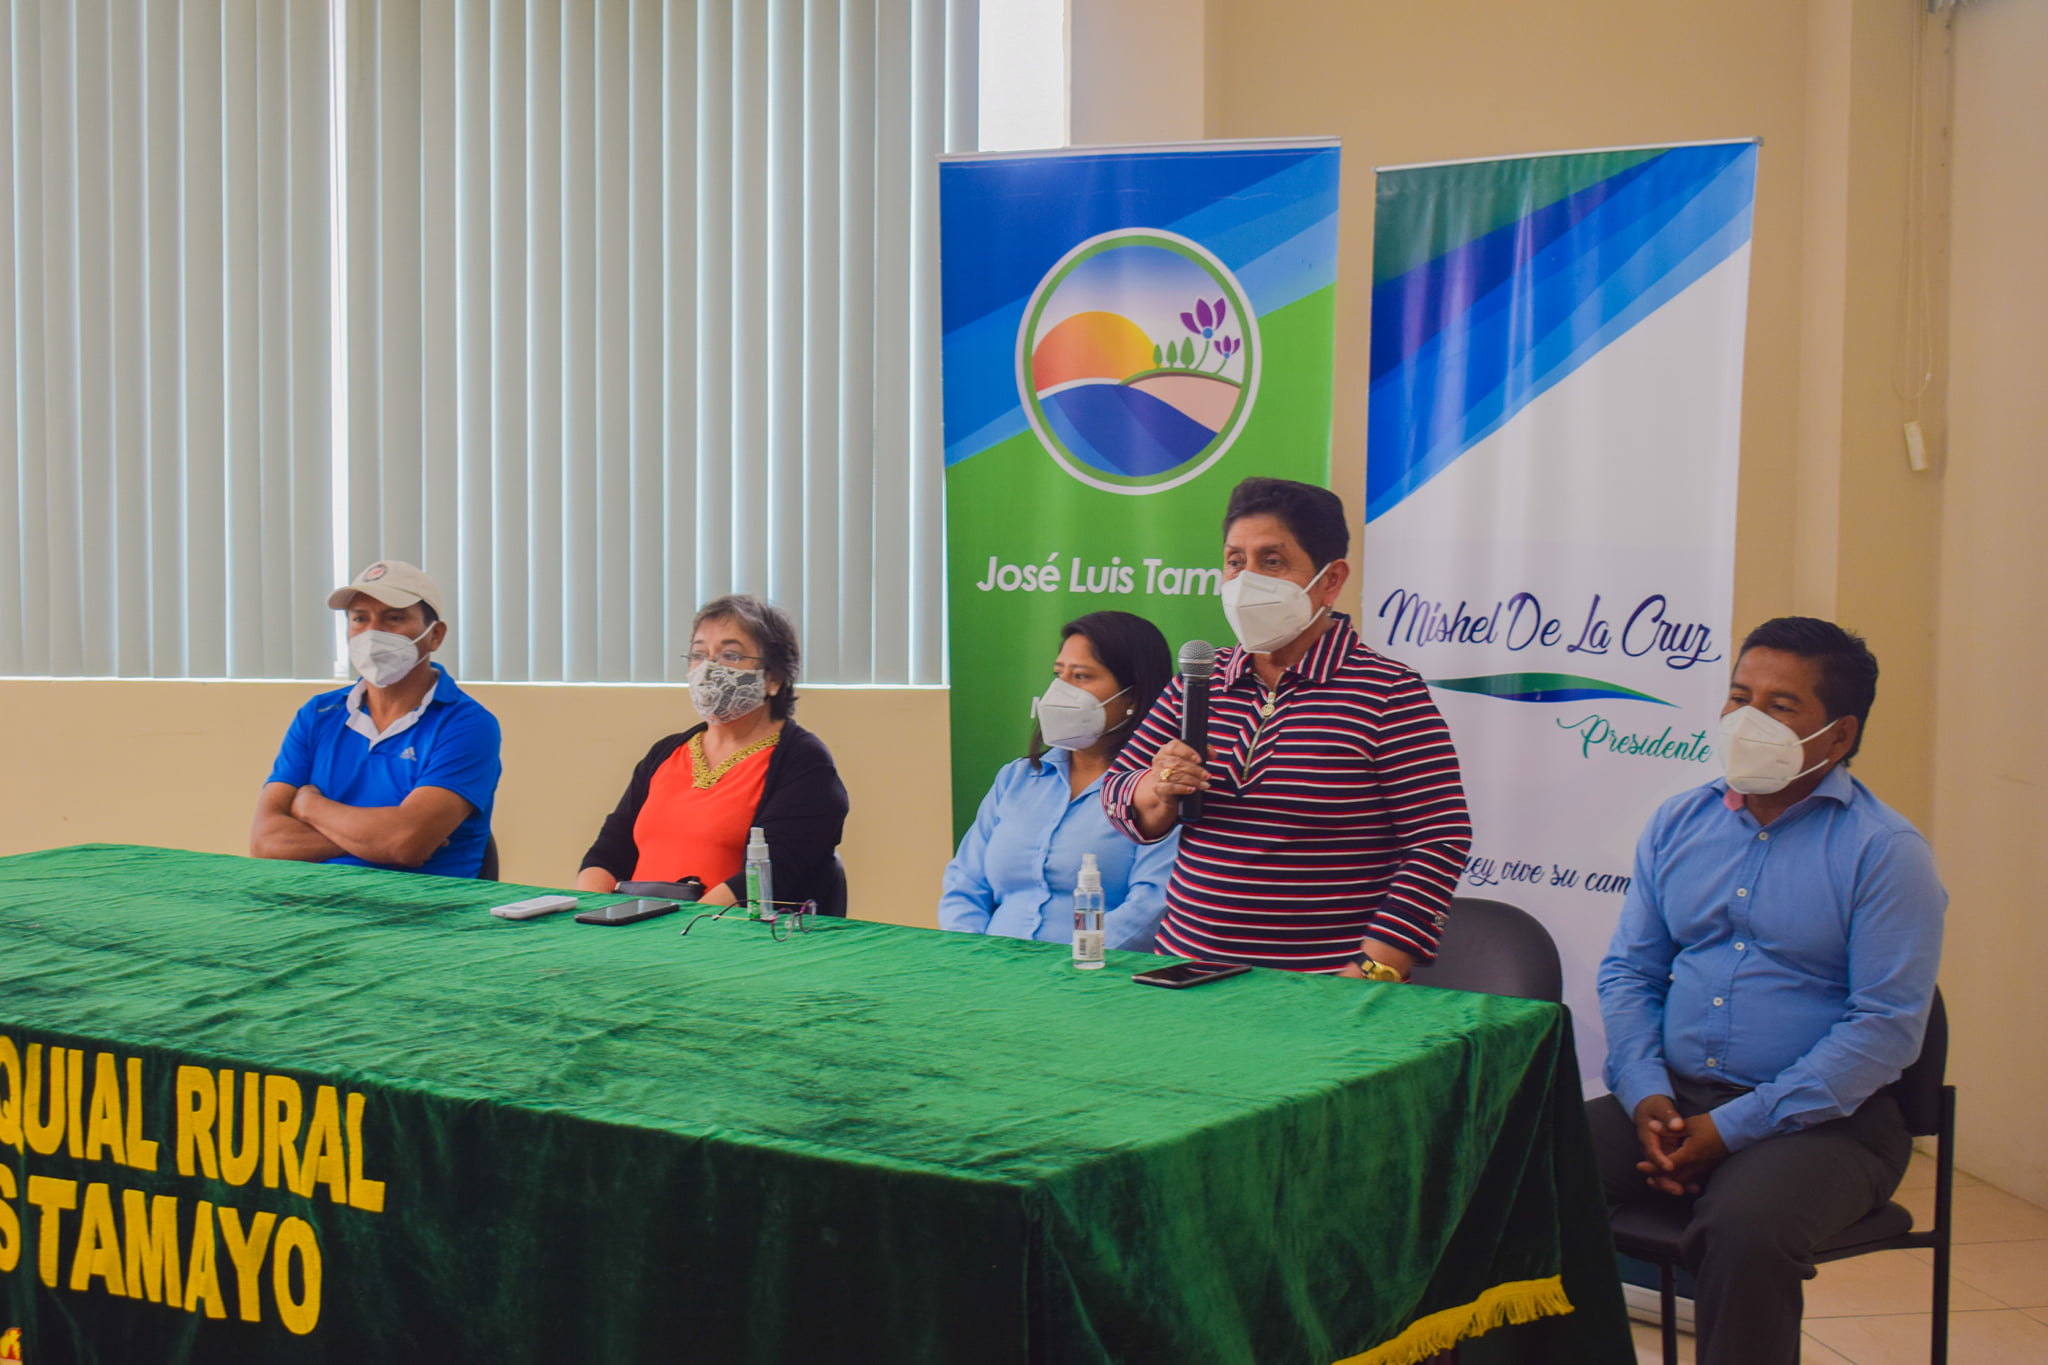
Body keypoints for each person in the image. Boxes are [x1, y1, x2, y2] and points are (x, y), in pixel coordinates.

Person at [1590, 617, 1947, 1365]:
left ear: (1839, 735)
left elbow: (1885, 1028)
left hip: (1829, 1124)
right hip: (1674, 1096)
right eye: (1739, 696)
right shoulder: (1677, 823)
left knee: (1745, 1227)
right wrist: (1646, 1092)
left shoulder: (1886, 852)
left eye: (1780, 706)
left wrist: (1732, 1129)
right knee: (1523, 1167)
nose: (1747, 719)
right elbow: (1631, 972)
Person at [1100, 477, 1471, 979]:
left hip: (1322, 988)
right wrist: (1158, 789)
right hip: (1187, 971)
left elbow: (1439, 840)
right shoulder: (1201, 677)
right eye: (1235, 561)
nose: (1246, 580)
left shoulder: (1387, 692)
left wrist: (1375, 968)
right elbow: (1118, 792)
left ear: (1331, 580)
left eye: (1272, 561)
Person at [578, 595, 848, 911]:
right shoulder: (666, 753)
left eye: (730, 655)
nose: (708, 668)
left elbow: (775, 873)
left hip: (725, 932)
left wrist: (685, 928)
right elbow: (607, 853)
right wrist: (591, 911)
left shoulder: (805, 763)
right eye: (698, 655)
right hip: (635, 926)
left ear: (773, 678)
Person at [939, 611, 1179, 950]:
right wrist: (972, 956)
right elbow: (964, 884)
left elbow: (1150, 907)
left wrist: (1072, 963)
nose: (1061, 690)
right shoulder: (1017, 778)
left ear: (1133, 696)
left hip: (1096, 972)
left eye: (1081, 676)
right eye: (1058, 674)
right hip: (989, 967)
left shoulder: (1159, 791)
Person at [251, 560, 502, 878]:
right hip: (312, 897)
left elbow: (406, 843)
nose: (372, 633)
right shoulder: (317, 715)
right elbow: (265, 841)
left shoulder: (467, 725)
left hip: (422, 904)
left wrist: (309, 807)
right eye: (359, 619)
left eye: (393, 618)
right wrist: (376, 839)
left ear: (435, 635)